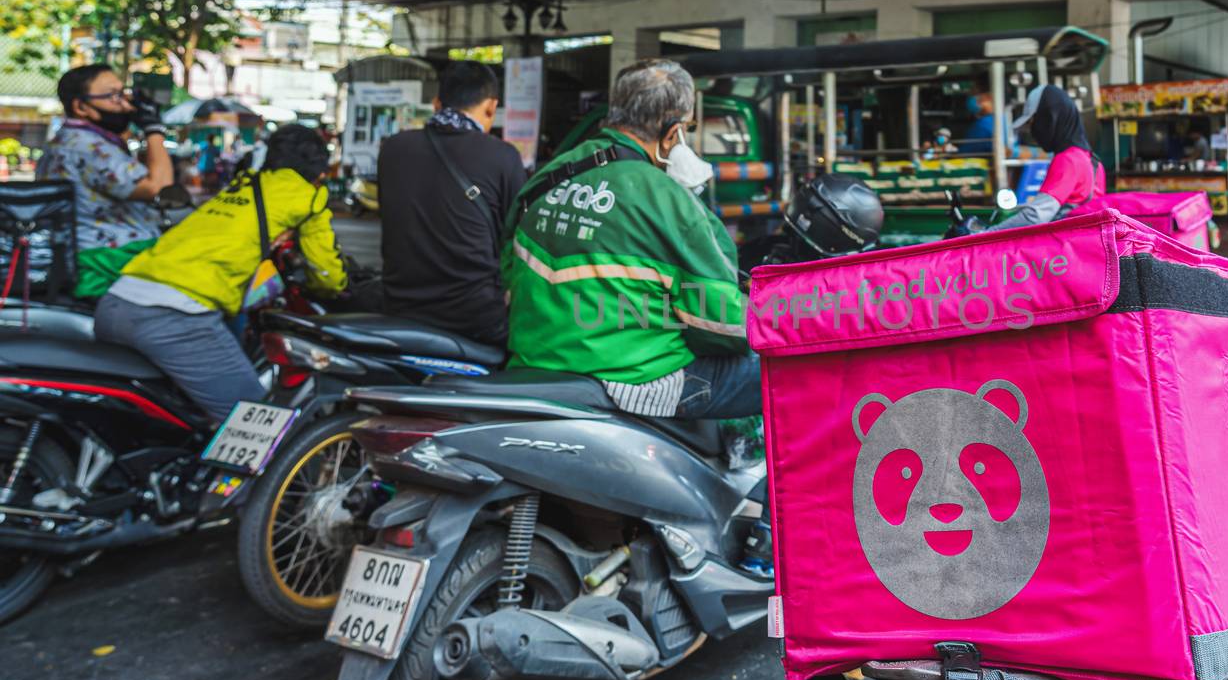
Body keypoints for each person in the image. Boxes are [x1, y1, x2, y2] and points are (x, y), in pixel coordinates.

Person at [502, 58, 756, 419]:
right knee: (775, 368)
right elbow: (723, 324)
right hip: (633, 382)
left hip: (533, 362)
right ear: (673, 134)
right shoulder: (670, 201)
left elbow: (507, 271)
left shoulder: (547, 177)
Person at [94, 126, 347, 422]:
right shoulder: (307, 197)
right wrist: (338, 288)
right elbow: (326, 271)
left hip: (115, 303)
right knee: (255, 426)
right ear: (318, 168)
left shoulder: (242, 184)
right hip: (174, 316)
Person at [379, 60, 527, 345]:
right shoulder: (502, 156)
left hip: (401, 309)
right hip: (476, 317)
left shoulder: (393, 148)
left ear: (436, 103)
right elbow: (518, 234)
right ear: (490, 107)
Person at [34, 64, 173, 286]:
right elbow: (158, 187)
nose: (127, 106)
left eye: (124, 94)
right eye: (114, 96)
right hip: (108, 261)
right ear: (81, 106)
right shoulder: (88, 146)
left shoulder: (68, 140)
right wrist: (154, 129)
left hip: (95, 255)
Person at [990, 84, 1101, 231]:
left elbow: (1035, 217)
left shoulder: (1068, 160)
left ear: (1049, 119)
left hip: (1062, 250)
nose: (1032, 132)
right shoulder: (1093, 161)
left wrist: (985, 235)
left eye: (1033, 122)